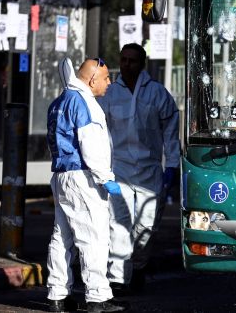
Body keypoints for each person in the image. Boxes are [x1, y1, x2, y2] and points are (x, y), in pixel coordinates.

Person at [45, 57, 128, 313]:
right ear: (92, 80)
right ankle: (97, 299)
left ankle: (57, 295)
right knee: (94, 237)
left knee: (62, 237)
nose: (109, 82)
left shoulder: (59, 102)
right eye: (105, 78)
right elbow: (92, 146)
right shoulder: (86, 104)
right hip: (84, 177)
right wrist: (107, 178)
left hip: (61, 176)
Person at [99, 43, 180, 293]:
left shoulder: (157, 93)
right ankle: (120, 279)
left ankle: (139, 266)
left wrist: (173, 164)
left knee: (146, 226)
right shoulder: (110, 94)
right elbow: (100, 130)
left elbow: (171, 131)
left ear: (142, 64)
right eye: (123, 60)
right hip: (119, 169)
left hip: (150, 170)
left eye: (132, 61)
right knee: (119, 223)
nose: (126, 65)